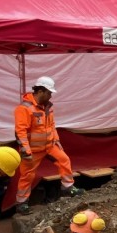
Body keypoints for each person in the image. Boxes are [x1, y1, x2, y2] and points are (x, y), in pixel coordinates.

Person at [13, 76, 83, 215]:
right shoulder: (24, 109)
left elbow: (51, 125)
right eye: (49, 92)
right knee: (27, 176)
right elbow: (20, 131)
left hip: (49, 146)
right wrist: (26, 151)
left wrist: (56, 141)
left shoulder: (48, 107)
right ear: (40, 91)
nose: (51, 95)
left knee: (64, 160)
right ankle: (21, 203)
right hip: (32, 150)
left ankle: (68, 187)